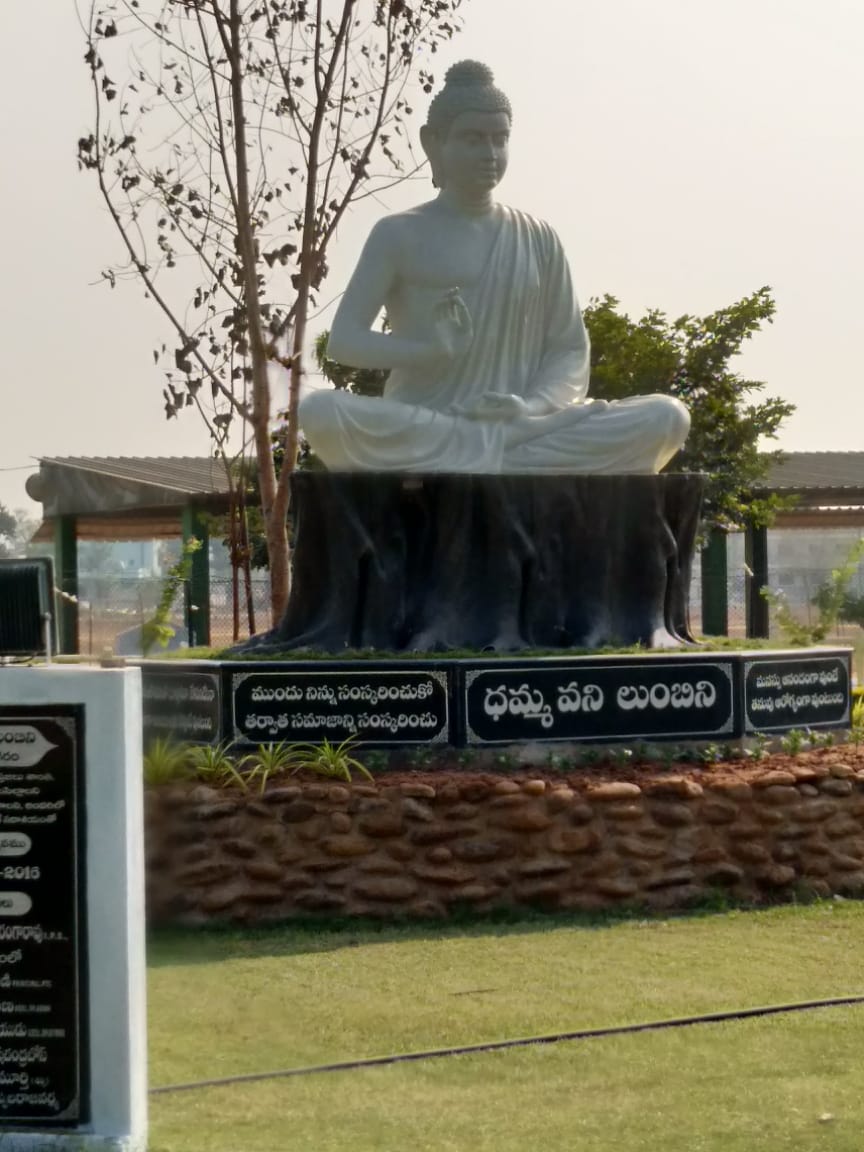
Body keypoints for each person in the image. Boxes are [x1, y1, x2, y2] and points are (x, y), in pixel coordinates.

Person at [300, 60, 689, 473]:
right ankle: (501, 454)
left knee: (667, 418)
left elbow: (569, 349)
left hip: (523, 425)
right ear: (434, 143)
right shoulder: (398, 233)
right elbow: (344, 341)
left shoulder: (538, 237)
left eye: (499, 140)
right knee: (321, 413)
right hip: (430, 420)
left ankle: (489, 451)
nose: (489, 154)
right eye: (472, 139)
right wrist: (427, 352)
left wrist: (530, 407)